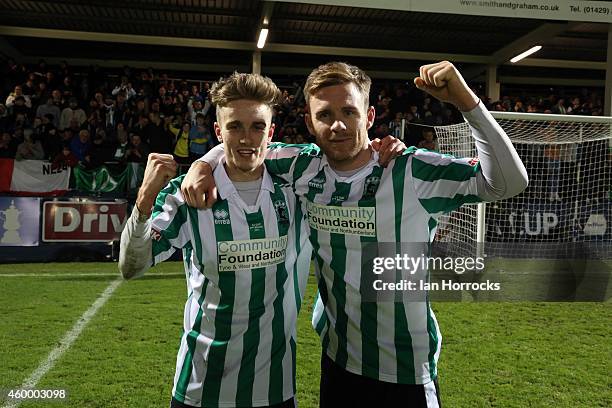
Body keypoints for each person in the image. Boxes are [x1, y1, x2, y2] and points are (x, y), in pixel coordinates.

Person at [181, 61, 529, 407]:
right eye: (325, 115)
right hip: (339, 364)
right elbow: (243, 145)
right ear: (309, 122)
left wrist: (467, 102)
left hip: (406, 370)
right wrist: (201, 165)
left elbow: (510, 182)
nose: (338, 125)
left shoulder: (410, 169)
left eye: (349, 111)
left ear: (370, 115)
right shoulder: (303, 166)